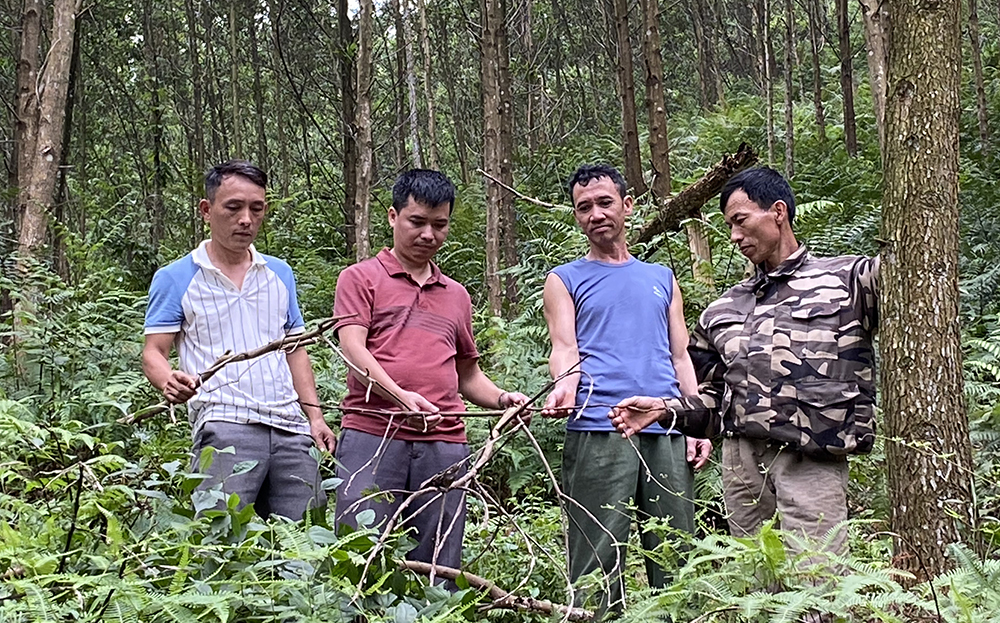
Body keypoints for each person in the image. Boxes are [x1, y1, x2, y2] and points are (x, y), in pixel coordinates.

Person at [610, 166, 878, 558]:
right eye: (729, 226)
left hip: (812, 462)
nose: (734, 236)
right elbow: (714, 400)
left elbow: (921, 271)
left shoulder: (851, 280)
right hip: (742, 467)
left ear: (778, 212)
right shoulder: (722, 311)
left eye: (740, 221)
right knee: (755, 583)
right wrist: (664, 411)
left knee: (818, 585)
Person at [332, 168, 528, 570]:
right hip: (373, 434)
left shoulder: (456, 295)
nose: (428, 235)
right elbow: (353, 349)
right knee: (358, 553)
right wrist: (401, 397)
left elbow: (467, 376)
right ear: (393, 216)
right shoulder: (360, 279)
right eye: (417, 222)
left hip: (444, 442)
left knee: (440, 558)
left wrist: (504, 399)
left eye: (439, 225)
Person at [541, 164, 712, 614]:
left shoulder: (662, 278)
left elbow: (680, 357)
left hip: (665, 427)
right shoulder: (565, 279)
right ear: (577, 217)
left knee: (676, 557)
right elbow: (565, 348)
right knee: (596, 559)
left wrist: (695, 423)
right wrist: (563, 388)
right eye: (584, 207)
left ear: (627, 206)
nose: (595, 214)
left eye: (604, 202)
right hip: (599, 426)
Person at [142, 159, 335, 520]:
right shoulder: (177, 277)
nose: (246, 219)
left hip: (290, 427)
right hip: (223, 421)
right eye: (233, 207)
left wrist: (315, 418)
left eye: (256, 208)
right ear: (206, 210)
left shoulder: (279, 273)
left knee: (304, 543)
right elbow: (154, 352)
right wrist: (169, 380)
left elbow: (295, 351)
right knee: (221, 541)